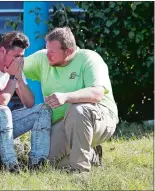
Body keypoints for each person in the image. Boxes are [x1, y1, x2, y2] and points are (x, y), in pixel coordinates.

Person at [22, 27, 119, 172]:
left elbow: (97, 93)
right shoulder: (43, 58)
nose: (47, 55)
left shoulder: (89, 59)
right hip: (64, 123)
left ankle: (80, 170)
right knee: (44, 163)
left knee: (77, 109)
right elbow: (13, 65)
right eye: (47, 49)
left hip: (100, 120)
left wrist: (66, 96)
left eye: (52, 52)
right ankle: (92, 154)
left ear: (68, 51)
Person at [0, 31, 52, 173]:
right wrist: (12, 77)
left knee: (42, 109)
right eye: (16, 56)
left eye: (21, 57)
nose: (19, 61)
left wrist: (19, 78)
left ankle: (37, 164)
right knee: (3, 111)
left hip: (4, 126)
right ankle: (11, 166)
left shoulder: (16, 69)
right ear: (2, 51)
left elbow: (29, 103)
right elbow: (0, 101)